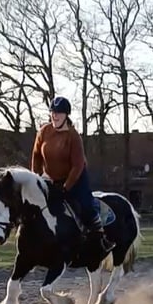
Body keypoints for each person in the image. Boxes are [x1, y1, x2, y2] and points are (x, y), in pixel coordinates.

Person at [30, 96, 115, 254]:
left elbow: (77, 166)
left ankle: (101, 238)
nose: (55, 116)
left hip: (74, 178)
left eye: (59, 113)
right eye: (53, 113)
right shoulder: (44, 131)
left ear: (66, 115)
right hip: (49, 179)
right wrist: (36, 178)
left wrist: (65, 188)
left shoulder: (73, 136)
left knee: (85, 205)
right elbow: (36, 156)